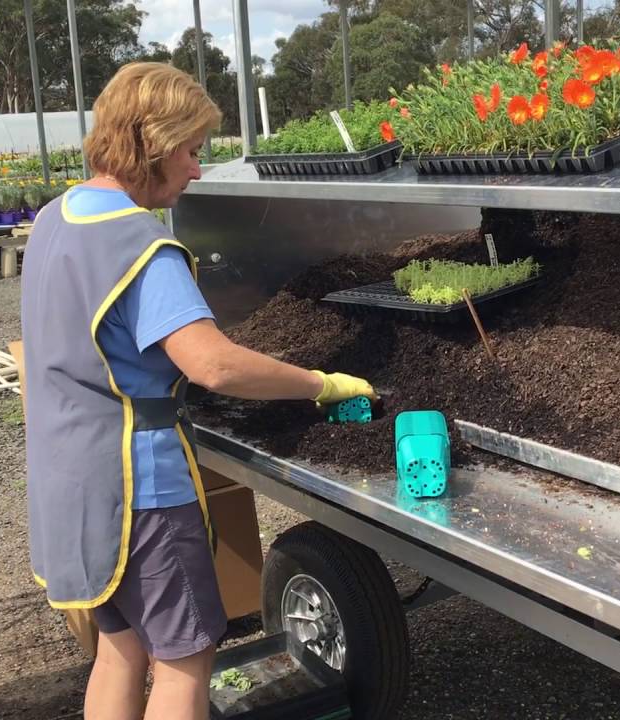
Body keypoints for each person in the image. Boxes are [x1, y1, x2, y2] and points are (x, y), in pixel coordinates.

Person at [19, 62, 376, 720]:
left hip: (66, 482)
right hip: (137, 496)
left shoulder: (53, 220)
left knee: (119, 650)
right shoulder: (141, 246)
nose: (197, 169)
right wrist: (318, 382)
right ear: (150, 146)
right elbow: (215, 366)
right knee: (185, 662)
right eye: (190, 151)